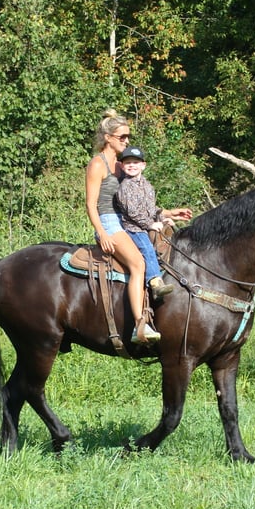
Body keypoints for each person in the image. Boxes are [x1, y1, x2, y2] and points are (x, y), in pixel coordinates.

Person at [85, 109, 160, 344]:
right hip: (109, 220)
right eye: (122, 137)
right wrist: (102, 233)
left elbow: (136, 201)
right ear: (108, 138)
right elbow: (90, 204)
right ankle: (140, 325)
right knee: (138, 263)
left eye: (128, 137)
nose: (127, 141)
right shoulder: (98, 165)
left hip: (126, 219)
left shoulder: (121, 165)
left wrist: (165, 214)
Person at [115, 146, 192, 302]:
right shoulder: (125, 187)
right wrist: (150, 224)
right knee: (147, 248)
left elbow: (150, 209)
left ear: (143, 165)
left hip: (145, 224)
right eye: (128, 163)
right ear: (122, 166)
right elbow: (133, 212)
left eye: (135, 162)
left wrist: (162, 219)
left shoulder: (147, 185)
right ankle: (155, 282)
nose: (131, 165)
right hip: (134, 228)